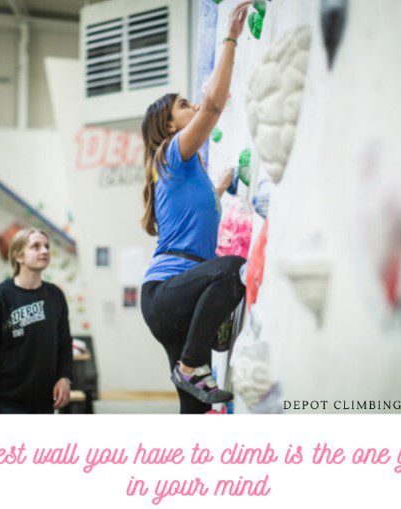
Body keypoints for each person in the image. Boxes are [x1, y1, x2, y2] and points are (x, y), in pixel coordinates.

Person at [140, 1, 252, 414]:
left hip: (175, 304)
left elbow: (195, 217)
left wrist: (219, 191)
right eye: (182, 106)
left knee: (196, 412)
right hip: (168, 294)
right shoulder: (171, 153)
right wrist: (231, 39)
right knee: (234, 267)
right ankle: (191, 363)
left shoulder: (184, 174)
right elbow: (214, 106)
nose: (192, 108)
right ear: (170, 126)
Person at [0, 228, 73, 414]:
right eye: (35, 246)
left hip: (45, 403)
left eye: (46, 246)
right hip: (6, 404)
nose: (44, 251)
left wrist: (65, 377)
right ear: (19, 256)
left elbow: (64, 343)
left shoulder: (55, 295)